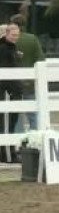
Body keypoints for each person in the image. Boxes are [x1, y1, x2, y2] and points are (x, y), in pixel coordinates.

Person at [10, 14, 44, 131]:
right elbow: (40, 60)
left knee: (15, 114)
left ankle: (17, 142)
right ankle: (35, 141)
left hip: (13, 83)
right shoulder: (32, 39)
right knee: (33, 115)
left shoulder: (9, 40)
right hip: (29, 83)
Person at [0, 23, 23, 163]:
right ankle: (7, 154)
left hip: (12, 90)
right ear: (7, 34)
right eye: (13, 35)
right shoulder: (4, 49)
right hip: (8, 91)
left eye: (17, 35)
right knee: (6, 124)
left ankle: (8, 153)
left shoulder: (12, 48)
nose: (15, 38)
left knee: (10, 123)